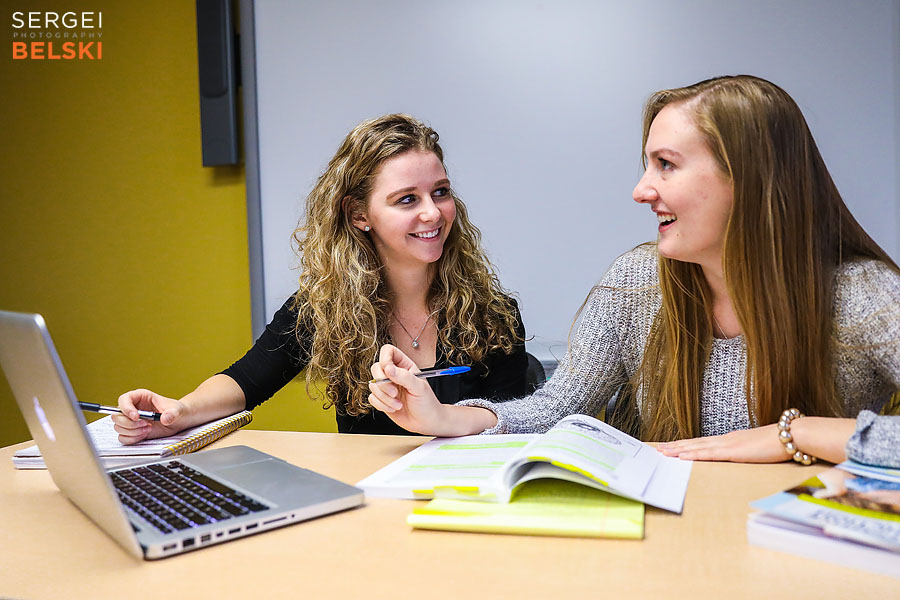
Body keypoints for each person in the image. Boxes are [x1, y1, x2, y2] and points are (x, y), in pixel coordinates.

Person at [367, 75, 900, 465]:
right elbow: (560, 407)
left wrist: (795, 433)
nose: (642, 190)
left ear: (750, 177)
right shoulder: (637, 282)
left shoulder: (865, 297)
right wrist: (445, 419)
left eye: (666, 164)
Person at [113, 114, 528, 440]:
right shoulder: (324, 308)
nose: (433, 213)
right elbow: (243, 381)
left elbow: (513, 424)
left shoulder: (493, 315)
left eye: (440, 191)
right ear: (359, 214)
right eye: (407, 199)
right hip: (369, 506)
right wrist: (178, 413)